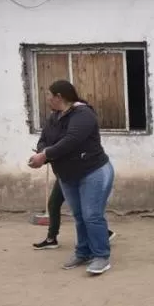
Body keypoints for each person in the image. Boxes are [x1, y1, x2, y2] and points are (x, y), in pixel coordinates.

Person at [28, 80, 115, 275]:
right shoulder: (54, 117)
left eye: (49, 95)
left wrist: (45, 155)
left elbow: (72, 140)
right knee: (79, 216)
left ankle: (101, 256)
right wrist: (43, 151)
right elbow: (44, 139)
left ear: (59, 97)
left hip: (93, 171)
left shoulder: (83, 114)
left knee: (92, 215)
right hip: (68, 175)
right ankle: (83, 252)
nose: (48, 99)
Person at [32, 107, 115, 251]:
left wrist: (47, 154)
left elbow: (66, 146)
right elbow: (43, 142)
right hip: (63, 175)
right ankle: (54, 239)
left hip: (76, 173)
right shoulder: (52, 122)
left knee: (85, 212)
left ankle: (99, 244)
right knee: (59, 206)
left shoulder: (76, 125)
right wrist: (42, 153)